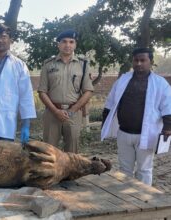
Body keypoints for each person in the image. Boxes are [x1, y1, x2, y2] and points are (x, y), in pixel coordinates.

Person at [101, 48, 171, 186]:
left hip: (147, 134)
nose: (139, 63)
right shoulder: (123, 80)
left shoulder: (160, 83)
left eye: (143, 60)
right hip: (124, 133)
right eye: (136, 60)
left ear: (150, 62)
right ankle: (126, 198)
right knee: (124, 169)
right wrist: (105, 123)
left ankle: (144, 199)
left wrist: (168, 128)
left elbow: (168, 107)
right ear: (132, 61)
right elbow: (110, 102)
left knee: (144, 169)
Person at [38, 30, 93, 153]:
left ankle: (70, 173)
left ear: (75, 45)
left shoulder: (82, 65)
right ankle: (50, 173)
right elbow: (42, 92)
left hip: (73, 113)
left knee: (72, 153)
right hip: (52, 113)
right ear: (58, 44)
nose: (67, 45)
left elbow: (88, 91)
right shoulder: (48, 64)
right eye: (64, 42)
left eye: (71, 42)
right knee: (48, 152)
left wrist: (72, 111)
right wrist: (56, 111)